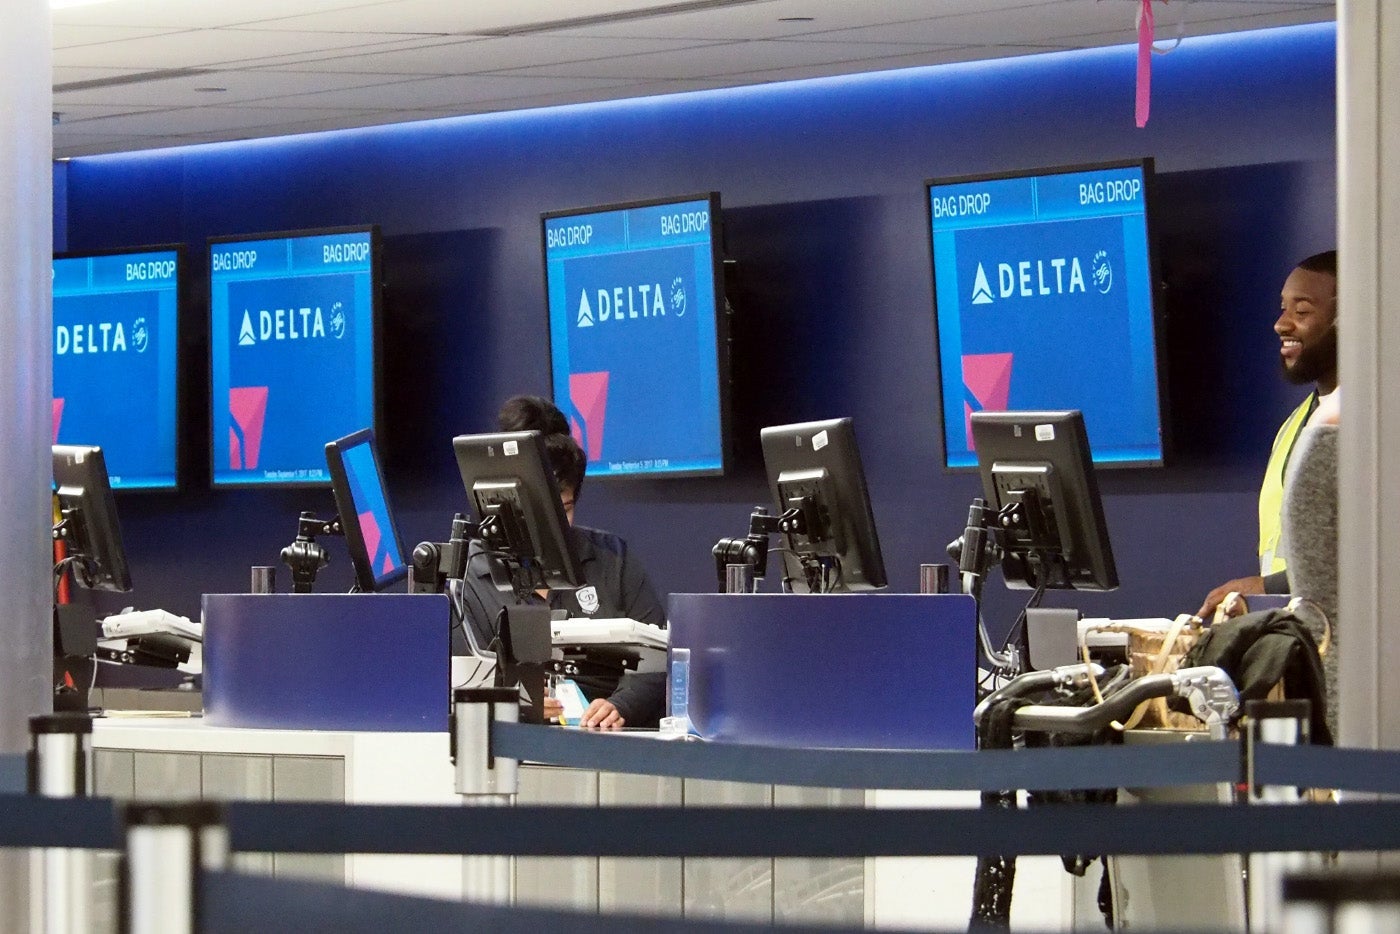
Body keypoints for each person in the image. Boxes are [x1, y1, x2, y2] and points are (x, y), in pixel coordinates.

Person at [465, 395, 666, 729]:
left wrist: (620, 705)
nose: (556, 527)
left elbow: (660, 658)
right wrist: (513, 702)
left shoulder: (613, 558)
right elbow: (458, 681)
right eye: (544, 513)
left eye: (567, 509)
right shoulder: (470, 578)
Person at [1197, 250, 1338, 619]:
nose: (1281, 324)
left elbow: (1375, 554)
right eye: (1283, 308)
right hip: (1297, 637)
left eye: (1302, 311)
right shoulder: (1295, 424)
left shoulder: (1377, 426)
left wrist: (1268, 589)